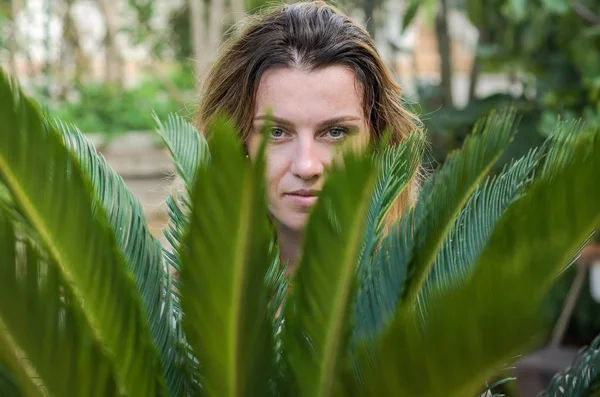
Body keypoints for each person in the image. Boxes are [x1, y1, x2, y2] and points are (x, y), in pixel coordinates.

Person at [195, 0, 422, 274]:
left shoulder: (430, 286)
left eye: (336, 132)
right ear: (236, 141)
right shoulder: (170, 300)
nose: (306, 167)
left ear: (377, 141)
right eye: (276, 132)